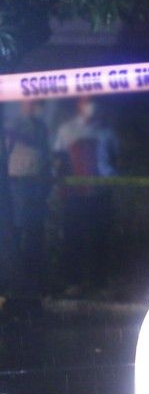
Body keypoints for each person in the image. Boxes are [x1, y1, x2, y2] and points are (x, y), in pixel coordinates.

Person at [53, 97, 119, 293]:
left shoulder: (107, 132)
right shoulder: (66, 130)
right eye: (86, 102)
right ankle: (73, 283)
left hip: (100, 194)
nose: (91, 106)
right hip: (74, 195)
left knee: (99, 238)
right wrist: (61, 188)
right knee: (73, 238)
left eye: (93, 101)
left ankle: (99, 284)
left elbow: (114, 160)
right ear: (78, 105)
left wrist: (109, 182)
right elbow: (58, 162)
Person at [5, 100, 50, 293]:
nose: (32, 106)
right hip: (18, 183)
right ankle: (16, 281)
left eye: (34, 103)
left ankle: (35, 279)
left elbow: (45, 151)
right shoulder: (12, 125)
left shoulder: (41, 126)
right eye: (28, 103)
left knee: (35, 231)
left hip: (37, 183)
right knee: (18, 230)